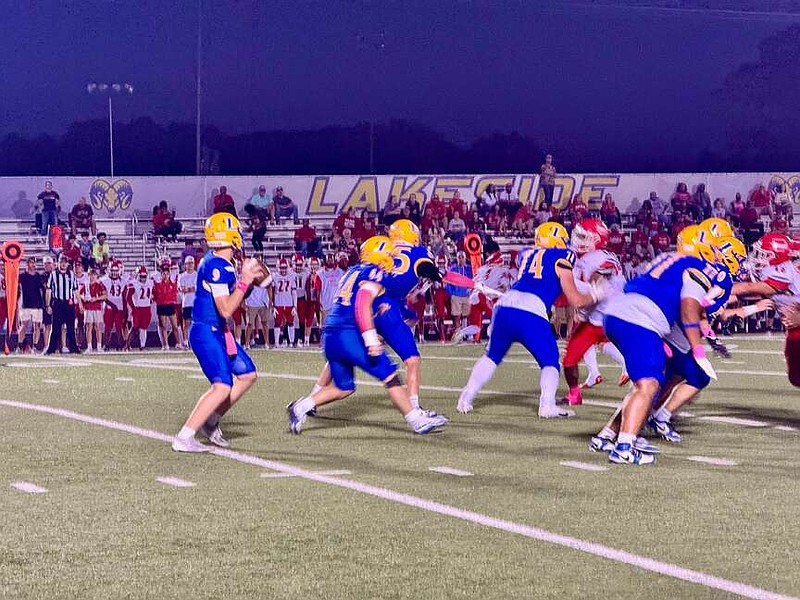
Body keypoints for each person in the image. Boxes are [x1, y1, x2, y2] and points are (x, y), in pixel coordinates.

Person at [286, 236, 448, 435]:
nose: (391, 258)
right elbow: (362, 302)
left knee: (344, 387)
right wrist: (371, 338)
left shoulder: (352, 272)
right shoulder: (374, 271)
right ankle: (416, 420)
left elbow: (358, 301)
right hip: (349, 334)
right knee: (390, 376)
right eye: (389, 254)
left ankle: (300, 407)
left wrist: (380, 310)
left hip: (331, 333)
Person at [457, 223, 601, 417]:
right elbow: (574, 298)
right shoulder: (563, 257)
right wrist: (596, 295)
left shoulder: (528, 255)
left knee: (491, 357)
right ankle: (547, 405)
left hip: (505, 306)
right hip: (531, 310)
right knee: (550, 361)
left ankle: (466, 398)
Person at [171, 213, 263, 452]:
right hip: (207, 332)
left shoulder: (220, 260)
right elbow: (225, 309)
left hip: (218, 332)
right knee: (222, 386)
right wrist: (245, 281)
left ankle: (210, 421)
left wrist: (250, 283)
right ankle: (184, 437)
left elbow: (235, 297)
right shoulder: (216, 265)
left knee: (247, 375)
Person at [44, 255, 81, 354]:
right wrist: (48, 305)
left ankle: (74, 348)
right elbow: (48, 290)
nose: (64, 264)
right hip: (58, 303)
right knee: (55, 328)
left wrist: (80, 304)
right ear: (58, 263)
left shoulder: (72, 274)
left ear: (68, 263)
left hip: (69, 304)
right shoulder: (53, 274)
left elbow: (76, 290)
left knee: (71, 328)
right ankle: (51, 349)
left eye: (65, 262)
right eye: (62, 262)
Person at [153, 259, 184, 350]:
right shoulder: (158, 282)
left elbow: (177, 270)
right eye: (164, 274)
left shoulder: (173, 281)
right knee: (163, 326)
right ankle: (165, 344)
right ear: (161, 274)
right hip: (161, 305)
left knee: (175, 325)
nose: (165, 276)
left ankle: (178, 343)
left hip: (170, 304)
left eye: (167, 274)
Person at [100, 260, 129, 350]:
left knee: (118, 327)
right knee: (107, 327)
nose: (114, 273)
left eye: (116, 271)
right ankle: (106, 344)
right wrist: (111, 304)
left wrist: (125, 308)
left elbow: (124, 296)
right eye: (112, 270)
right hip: (108, 306)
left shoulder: (123, 280)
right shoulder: (104, 280)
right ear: (109, 270)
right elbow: (103, 295)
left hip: (119, 307)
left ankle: (119, 344)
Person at [17, 258, 44, 352]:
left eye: (34, 263)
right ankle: (20, 346)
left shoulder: (39, 277)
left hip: (37, 305)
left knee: (37, 326)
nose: (33, 264)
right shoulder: (22, 276)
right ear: (27, 264)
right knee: (23, 326)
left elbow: (44, 289)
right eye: (31, 262)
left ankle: (35, 346)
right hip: (25, 305)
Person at [270, 258, 298, 347]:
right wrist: (273, 305)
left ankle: (291, 342)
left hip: (289, 303)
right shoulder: (274, 276)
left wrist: (295, 306)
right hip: (278, 303)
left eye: (285, 267)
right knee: (277, 323)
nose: (283, 270)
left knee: (290, 323)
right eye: (281, 268)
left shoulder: (292, 276)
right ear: (278, 267)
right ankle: (277, 343)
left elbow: (294, 292)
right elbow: (272, 292)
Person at [127, 266, 154, 350]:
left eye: (144, 276)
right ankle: (127, 345)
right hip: (137, 307)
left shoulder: (150, 283)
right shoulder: (133, 283)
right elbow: (128, 297)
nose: (143, 278)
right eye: (141, 276)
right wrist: (133, 307)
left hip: (146, 307)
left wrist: (151, 300)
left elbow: (155, 294)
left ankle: (142, 346)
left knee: (144, 327)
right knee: (134, 327)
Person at [446, 251, 472, 331]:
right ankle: (458, 335)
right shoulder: (452, 269)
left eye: (462, 257)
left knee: (467, 315)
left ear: (465, 258)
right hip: (456, 295)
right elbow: (447, 282)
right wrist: (451, 294)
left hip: (467, 295)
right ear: (457, 258)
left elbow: (473, 281)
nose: (461, 259)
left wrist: (471, 292)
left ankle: (467, 334)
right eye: (459, 257)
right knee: (456, 316)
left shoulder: (469, 269)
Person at [178, 255, 197, 345]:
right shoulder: (181, 276)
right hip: (186, 303)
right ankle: (185, 341)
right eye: (188, 263)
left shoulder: (197, 275)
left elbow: (196, 288)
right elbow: (181, 288)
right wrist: (189, 289)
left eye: (191, 263)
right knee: (186, 323)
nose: (190, 265)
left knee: (195, 323)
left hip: (195, 303)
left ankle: (194, 341)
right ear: (185, 265)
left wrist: (188, 289)